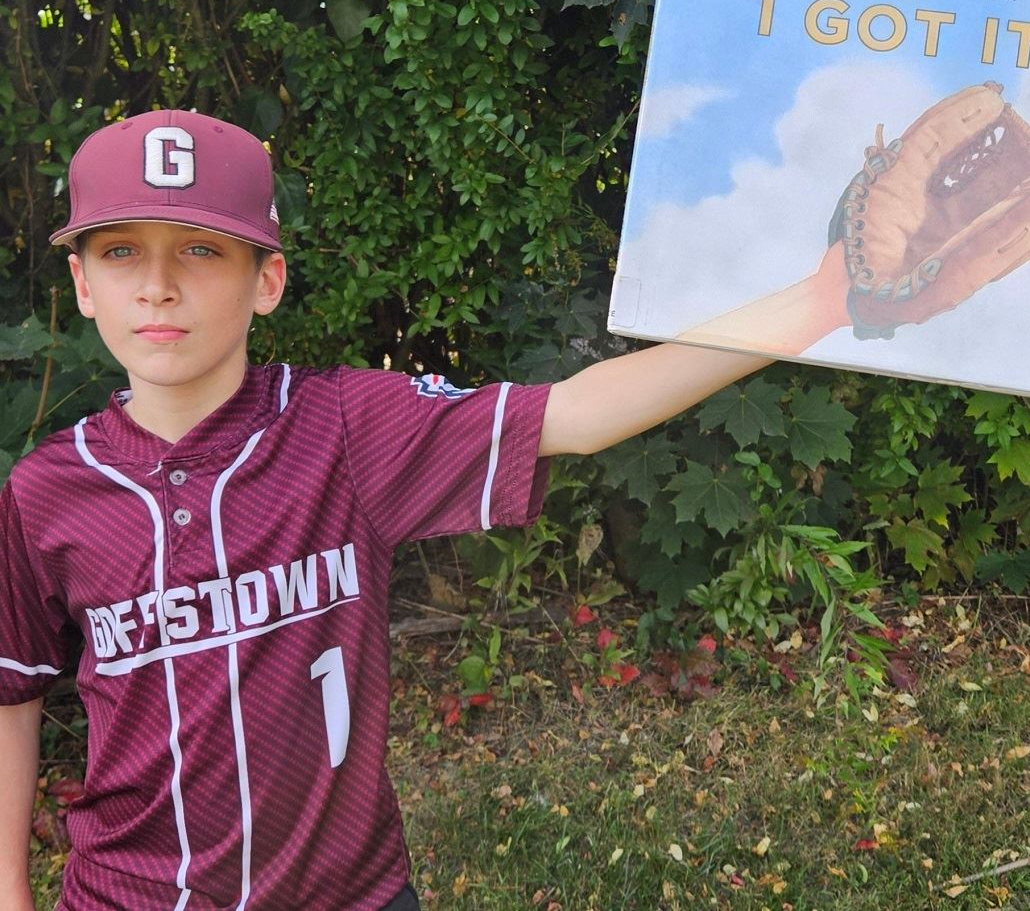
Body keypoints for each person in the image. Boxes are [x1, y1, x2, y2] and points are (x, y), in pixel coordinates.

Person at [0, 110, 851, 911]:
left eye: (199, 249)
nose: (156, 286)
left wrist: (814, 303)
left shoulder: (342, 427)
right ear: (79, 283)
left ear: (268, 280)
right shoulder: (47, 492)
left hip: (351, 891)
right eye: (119, 252)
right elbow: (13, 692)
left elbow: (580, 414)